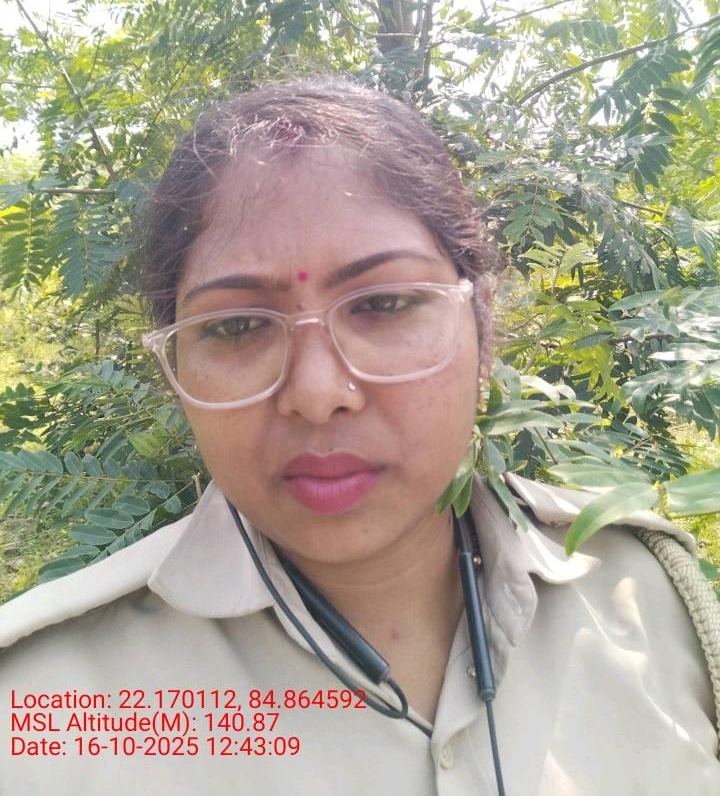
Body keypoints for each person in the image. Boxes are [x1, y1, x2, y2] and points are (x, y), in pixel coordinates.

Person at [0, 76, 718, 795]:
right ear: (176, 366)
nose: (317, 396)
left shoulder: (653, 598)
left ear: (481, 323)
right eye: (236, 325)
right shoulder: (38, 710)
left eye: (385, 304)